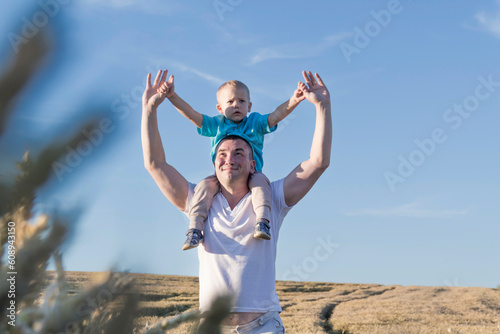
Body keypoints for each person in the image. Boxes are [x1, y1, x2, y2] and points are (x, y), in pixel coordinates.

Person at [141, 69, 332, 333]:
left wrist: (322, 107)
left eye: (239, 152)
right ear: (214, 162)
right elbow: (155, 164)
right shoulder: (199, 199)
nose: (229, 158)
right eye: (222, 153)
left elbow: (318, 163)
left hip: (263, 327)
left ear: (253, 164)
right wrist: (149, 109)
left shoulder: (272, 198)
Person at [157, 72, 305, 250]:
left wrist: (294, 100)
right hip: (223, 176)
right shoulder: (217, 124)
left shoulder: (255, 123)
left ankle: (262, 221)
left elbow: (276, 115)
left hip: (251, 174)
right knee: (203, 187)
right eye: (230, 102)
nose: (236, 105)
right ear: (220, 108)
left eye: (242, 101)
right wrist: (172, 96)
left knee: (260, 184)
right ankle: (195, 229)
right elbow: (191, 115)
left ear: (249, 106)